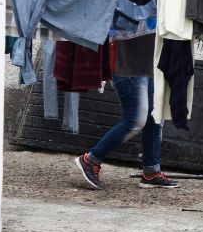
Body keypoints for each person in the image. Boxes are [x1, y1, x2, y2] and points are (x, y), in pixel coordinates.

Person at [73, 24, 180, 190]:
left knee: (154, 116)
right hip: (127, 60)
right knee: (135, 119)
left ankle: (151, 172)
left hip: (148, 59)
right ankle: (90, 160)